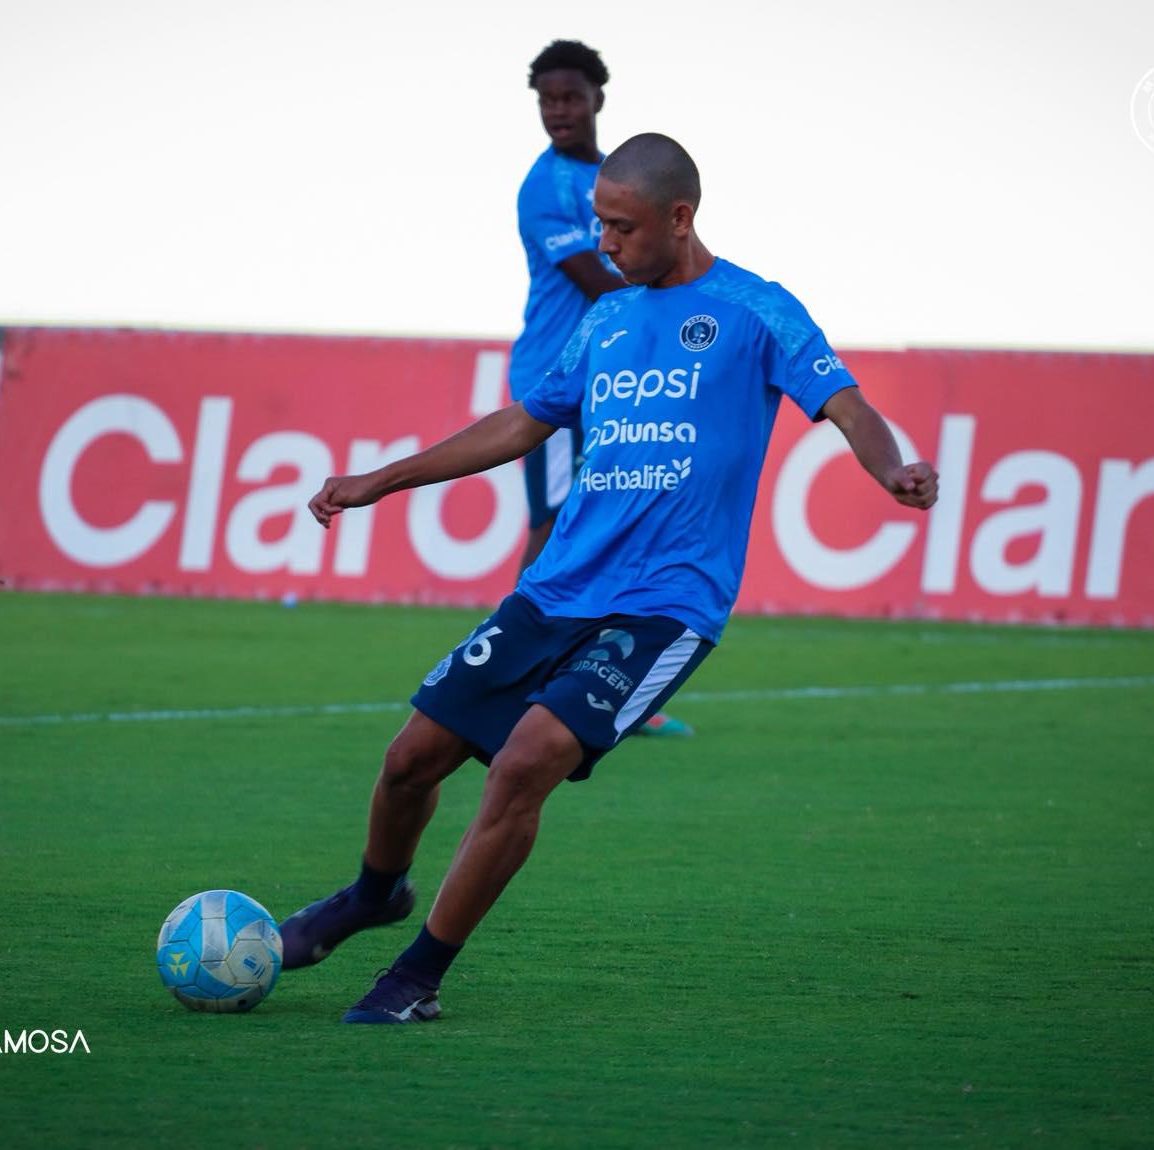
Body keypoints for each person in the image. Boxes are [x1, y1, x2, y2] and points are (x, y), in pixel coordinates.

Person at [280, 133, 939, 1024]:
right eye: (598, 225)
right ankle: (373, 892)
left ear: (680, 216)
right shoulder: (606, 319)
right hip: (556, 591)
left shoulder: (758, 310)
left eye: (622, 227)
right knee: (410, 762)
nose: (605, 245)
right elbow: (522, 424)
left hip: (666, 608)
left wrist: (889, 469)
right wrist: (380, 479)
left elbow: (849, 406)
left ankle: (418, 974)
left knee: (524, 764)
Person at [513, 39, 690, 736]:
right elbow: (600, 282)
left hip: (621, 380)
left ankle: (607, 680)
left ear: (597, 100)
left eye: (569, 97)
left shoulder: (619, 181)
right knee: (553, 522)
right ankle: (520, 666)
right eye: (547, 99)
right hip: (555, 382)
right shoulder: (544, 189)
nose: (558, 110)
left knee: (618, 522)